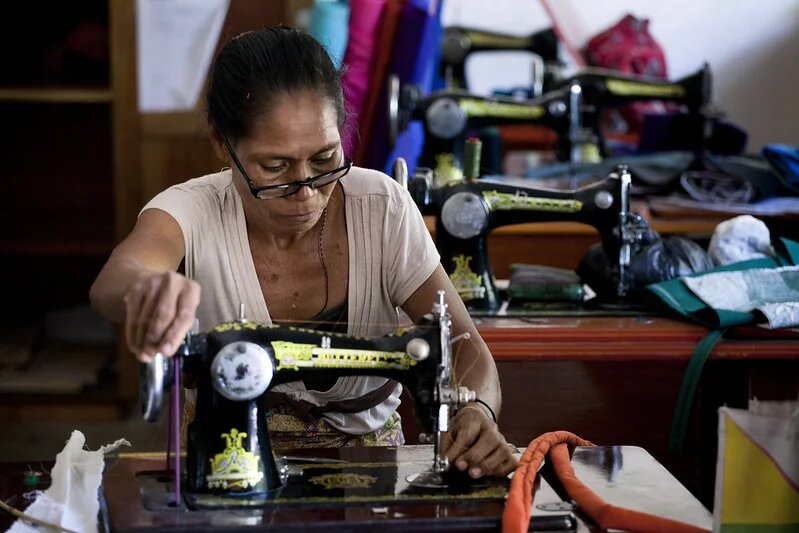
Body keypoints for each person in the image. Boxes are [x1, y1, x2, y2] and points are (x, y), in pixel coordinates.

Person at [90, 26, 516, 478]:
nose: (307, 192)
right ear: (222, 144)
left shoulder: (381, 207)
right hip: (228, 471)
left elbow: (465, 350)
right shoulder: (192, 209)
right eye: (275, 167)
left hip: (370, 476)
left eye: (325, 159)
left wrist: (479, 413)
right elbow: (115, 280)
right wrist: (148, 288)